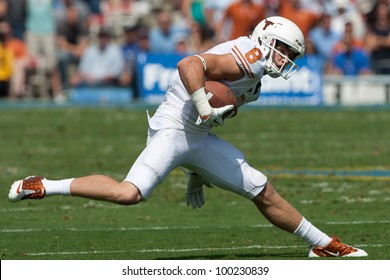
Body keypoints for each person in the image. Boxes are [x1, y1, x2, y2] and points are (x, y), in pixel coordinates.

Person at [8, 16, 367, 258]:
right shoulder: (248, 58)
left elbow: (211, 116)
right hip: (173, 127)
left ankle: (322, 245)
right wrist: (202, 104)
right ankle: (43, 184)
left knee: (261, 188)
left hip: (197, 135)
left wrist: (196, 171)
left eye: (291, 55)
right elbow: (188, 64)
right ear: (265, 40)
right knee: (129, 193)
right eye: (285, 49)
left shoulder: (255, 84)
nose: (286, 59)